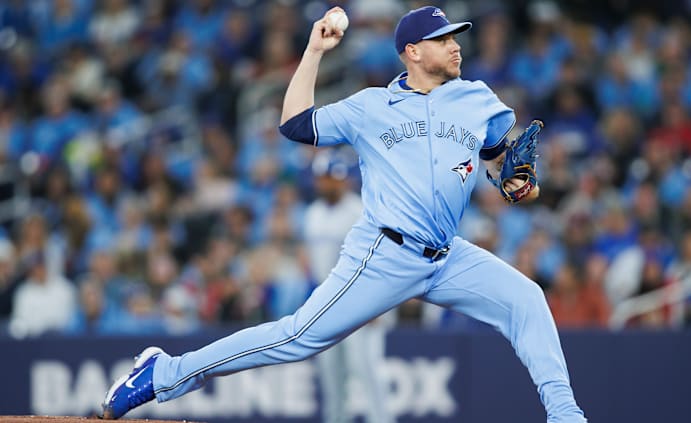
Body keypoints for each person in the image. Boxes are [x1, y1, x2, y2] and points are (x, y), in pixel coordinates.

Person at [101, 6, 587, 422]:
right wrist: (314, 51)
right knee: (296, 338)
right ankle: (165, 372)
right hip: (385, 252)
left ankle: (565, 414)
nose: (455, 46)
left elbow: (498, 158)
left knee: (526, 298)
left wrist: (514, 180)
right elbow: (294, 124)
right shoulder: (371, 107)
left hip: (447, 257)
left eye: (455, 38)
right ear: (412, 51)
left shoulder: (478, 99)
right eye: (442, 40)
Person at [303, 150, 394, 423]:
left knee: (368, 374)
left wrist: (375, 304)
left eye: (336, 178)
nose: (331, 183)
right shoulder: (313, 213)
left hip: (360, 301)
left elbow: (380, 257)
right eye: (326, 178)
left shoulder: (360, 209)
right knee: (332, 378)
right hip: (327, 302)